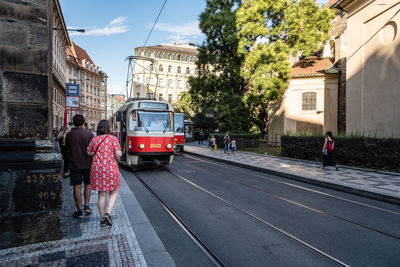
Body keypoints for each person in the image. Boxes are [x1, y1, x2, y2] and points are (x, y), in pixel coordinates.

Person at [87, 120, 122, 227]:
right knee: (114, 191)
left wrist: (96, 154)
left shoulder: (95, 139)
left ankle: (102, 220)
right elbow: (118, 153)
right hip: (111, 169)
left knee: (102, 194)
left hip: (97, 170)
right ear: (108, 128)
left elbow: (89, 152)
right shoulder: (113, 139)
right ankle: (108, 213)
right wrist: (117, 154)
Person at [65, 114, 94, 218]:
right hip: (88, 164)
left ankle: (79, 210)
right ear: (83, 123)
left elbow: (67, 149)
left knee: (77, 186)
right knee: (88, 184)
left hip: (74, 164)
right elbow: (93, 150)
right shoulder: (89, 134)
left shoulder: (69, 135)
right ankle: (86, 205)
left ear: (74, 123)